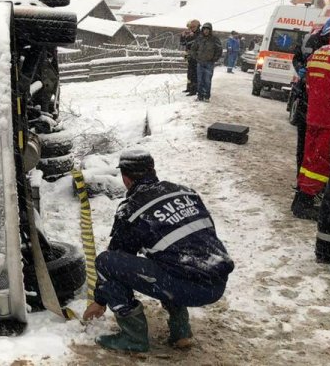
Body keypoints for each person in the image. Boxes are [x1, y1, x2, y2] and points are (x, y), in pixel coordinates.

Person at [83, 149, 234, 353]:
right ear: (152, 170)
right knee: (172, 257)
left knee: (105, 261)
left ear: (125, 178)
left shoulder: (131, 210)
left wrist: (99, 300)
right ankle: (181, 331)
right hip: (217, 282)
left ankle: (133, 337)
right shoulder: (185, 192)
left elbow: (116, 259)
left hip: (186, 288)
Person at [294, 21, 330, 221]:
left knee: (309, 160)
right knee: (320, 164)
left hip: (314, 115)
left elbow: (308, 82)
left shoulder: (320, 52)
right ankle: (305, 202)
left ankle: (301, 197)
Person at [189, 22, 222, 101]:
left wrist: (214, 59)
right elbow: (193, 49)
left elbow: (219, 50)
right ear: (202, 30)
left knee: (207, 80)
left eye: (208, 29)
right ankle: (200, 95)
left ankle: (206, 96)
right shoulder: (199, 39)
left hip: (209, 63)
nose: (206, 31)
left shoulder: (214, 39)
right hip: (200, 62)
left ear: (210, 30)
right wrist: (196, 57)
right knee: (200, 80)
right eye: (204, 29)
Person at [179, 20, 201, 96]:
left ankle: (194, 90)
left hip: (196, 57)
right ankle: (189, 88)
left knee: (194, 73)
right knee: (189, 73)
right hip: (190, 56)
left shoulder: (200, 34)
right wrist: (183, 36)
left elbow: (197, 44)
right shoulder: (190, 34)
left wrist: (193, 36)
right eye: (189, 27)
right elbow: (183, 43)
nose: (190, 28)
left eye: (192, 27)